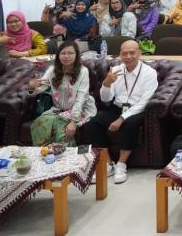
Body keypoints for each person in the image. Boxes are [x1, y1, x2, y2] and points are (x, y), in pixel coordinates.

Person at [84, 39, 158, 184]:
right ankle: (107, 163)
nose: (129, 56)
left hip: (137, 110)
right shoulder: (116, 70)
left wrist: (122, 119)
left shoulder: (149, 73)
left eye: (132, 53)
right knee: (93, 123)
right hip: (117, 107)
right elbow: (106, 99)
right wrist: (106, 84)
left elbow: (144, 101)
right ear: (120, 55)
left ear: (139, 53)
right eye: (125, 53)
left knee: (130, 124)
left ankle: (121, 164)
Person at [27, 41, 97, 146]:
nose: (66, 56)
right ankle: (44, 154)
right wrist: (32, 87)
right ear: (58, 55)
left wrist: (74, 122)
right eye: (63, 53)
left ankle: (65, 158)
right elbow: (42, 87)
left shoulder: (83, 71)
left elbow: (82, 98)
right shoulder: (52, 70)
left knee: (62, 130)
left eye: (70, 53)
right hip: (58, 110)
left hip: (80, 109)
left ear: (76, 55)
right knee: (38, 123)